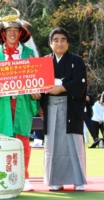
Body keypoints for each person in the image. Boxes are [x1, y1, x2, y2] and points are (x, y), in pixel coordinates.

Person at [0, 8, 40, 191]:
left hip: (22, 103)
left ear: (21, 33)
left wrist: (35, 94)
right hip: (2, 105)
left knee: (23, 139)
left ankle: (23, 178)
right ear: (3, 34)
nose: (12, 34)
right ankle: (3, 177)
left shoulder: (30, 55)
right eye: (9, 31)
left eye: (16, 31)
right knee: (3, 141)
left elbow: (37, 81)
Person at [40, 28, 87, 191]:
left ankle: (78, 180)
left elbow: (80, 83)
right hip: (50, 106)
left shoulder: (77, 60)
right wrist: (38, 101)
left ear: (67, 43)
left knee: (74, 143)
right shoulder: (44, 61)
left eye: (63, 40)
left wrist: (62, 88)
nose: (59, 43)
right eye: (56, 40)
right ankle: (55, 180)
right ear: (50, 43)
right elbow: (38, 84)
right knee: (52, 145)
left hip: (70, 107)